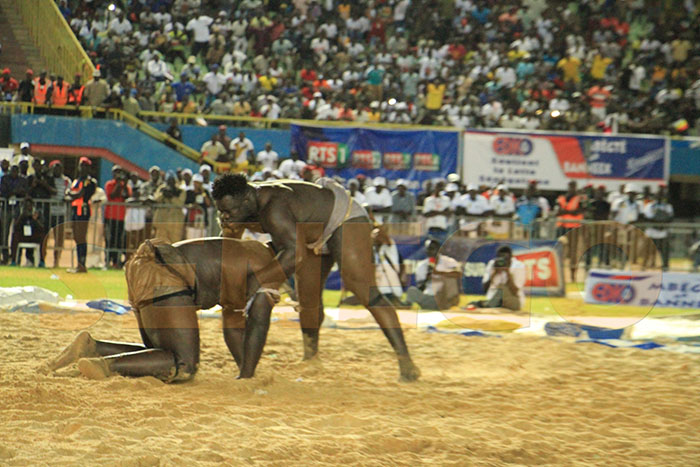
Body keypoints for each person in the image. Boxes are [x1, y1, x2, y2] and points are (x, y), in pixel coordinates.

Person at [212, 174, 419, 381]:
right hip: (307, 234)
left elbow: (295, 254)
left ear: (247, 200)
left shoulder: (274, 206)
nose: (225, 216)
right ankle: (311, 356)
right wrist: (227, 232)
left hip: (343, 218)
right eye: (221, 212)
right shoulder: (240, 206)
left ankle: (406, 360)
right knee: (307, 299)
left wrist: (257, 281)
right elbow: (229, 250)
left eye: (229, 212)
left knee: (363, 289)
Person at [45, 237, 287, 381]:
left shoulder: (249, 251)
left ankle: (94, 347)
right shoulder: (270, 267)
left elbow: (233, 326)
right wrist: (247, 375)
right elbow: (258, 324)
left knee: (159, 354)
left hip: (144, 265)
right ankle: (105, 365)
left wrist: (245, 371)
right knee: (183, 365)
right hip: (167, 274)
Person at [467, 245, 526, 312]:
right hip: (494, 300)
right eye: (500, 258)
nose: (503, 261)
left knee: (502, 287)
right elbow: (485, 289)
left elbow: (515, 291)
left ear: (511, 257)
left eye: (505, 258)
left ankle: (486, 305)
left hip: (513, 301)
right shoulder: (492, 264)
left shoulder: (519, 266)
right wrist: (494, 273)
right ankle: (487, 304)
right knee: (472, 304)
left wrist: (507, 272)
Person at [66, 157, 96, 273]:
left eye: (85, 166)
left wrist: (70, 193)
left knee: (81, 237)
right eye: (81, 165)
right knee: (76, 237)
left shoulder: (89, 181)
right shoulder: (76, 180)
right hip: (75, 210)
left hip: (82, 210)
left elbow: (79, 194)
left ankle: (82, 264)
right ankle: (79, 263)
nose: (82, 168)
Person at [555, 181, 584, 282]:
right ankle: (558, 275)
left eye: (573, 186)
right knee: (559, 251)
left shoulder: (579, 198)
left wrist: (566, 211)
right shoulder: (562, 197)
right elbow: (558, 211)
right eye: (570, 186)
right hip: (561, 227)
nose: (571, 188)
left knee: (573, 252)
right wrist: (570, 212)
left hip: (573, 228)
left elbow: (578, 211)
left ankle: (573, 276)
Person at [104, 165, 131, 269]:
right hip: (110, 217)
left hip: (120, 217)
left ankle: (116, 261)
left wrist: (124, 185)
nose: (118, 174)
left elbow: (126, 197)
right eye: (116, 172)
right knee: (109, 239)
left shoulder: (126, 186)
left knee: (118, 240)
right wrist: (119, 184)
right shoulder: (109, 184)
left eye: (119, 172)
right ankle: (107, 260)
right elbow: (112, 195)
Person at [643, 186, 673, 270]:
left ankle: (665, 268)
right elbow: (647, 218)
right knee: (649, 253)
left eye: (662, 195)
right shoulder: (650, 206)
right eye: (658, 195)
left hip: (662, 234)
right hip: (652, 233)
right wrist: (657, 223)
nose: (660, 197)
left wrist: (662, 224)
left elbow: (670, 218)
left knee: (664, 252)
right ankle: (646, 268)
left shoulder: (667, 206)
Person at [47, 160, 71, 268]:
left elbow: (68, 192)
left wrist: (67, 197)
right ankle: (44, 259)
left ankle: (56, 261)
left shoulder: (66, 180)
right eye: (55, 168)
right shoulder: (49, 180)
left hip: (61, 213)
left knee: (59, 239)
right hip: (49, 211)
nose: (57, 170)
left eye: (59, 168)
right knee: (46, 237)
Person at [152, 171, 187, 243]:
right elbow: (156, 199)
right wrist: (163, 194)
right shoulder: (162, 188)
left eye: (172, 181)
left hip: (175, 221)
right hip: (162, 221)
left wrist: (172, 196)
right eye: (169, 181)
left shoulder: (180, 191)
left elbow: (180, 203)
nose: (170, 183)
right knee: (160, 243)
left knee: (175, 243)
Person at [10, 198, 46, 266]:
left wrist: (35, 220)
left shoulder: (37, 212)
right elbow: (15, 226)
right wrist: (21, 216)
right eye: (26, 205)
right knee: (15, 236)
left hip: (33, 235)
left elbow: (42, 228)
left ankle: (42, 261)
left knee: (43, 237)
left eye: (29, 205)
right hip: (22, 234)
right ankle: (13, 260)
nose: (28, 207)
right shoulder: (19, 211)